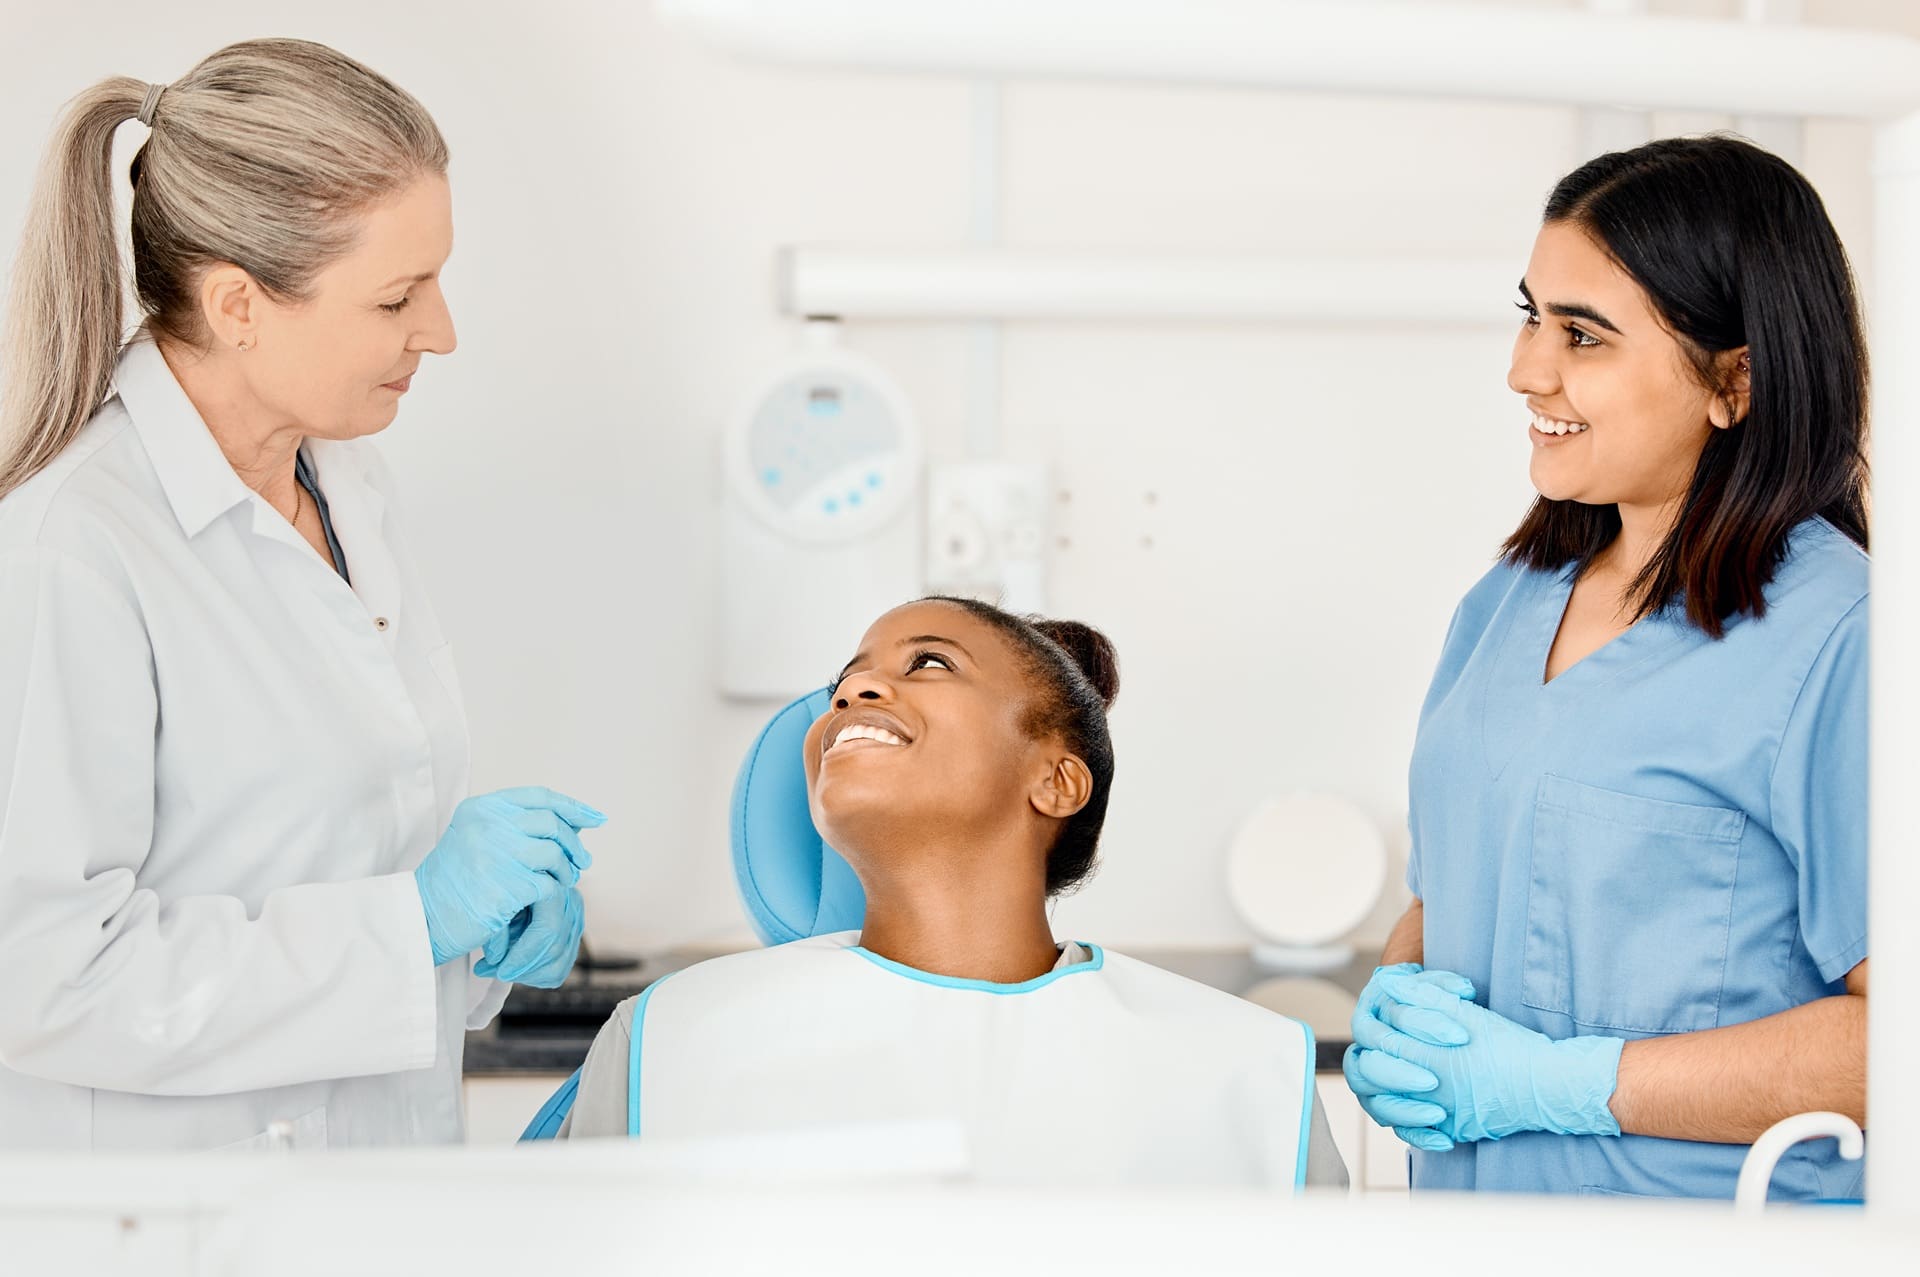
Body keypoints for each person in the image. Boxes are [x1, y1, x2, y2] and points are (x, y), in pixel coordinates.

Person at [0, 39, 603, 1151]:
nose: (442, 330)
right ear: (238, 304)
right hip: (168, 1214)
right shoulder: (71, 546)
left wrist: (471, 932)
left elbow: (331, 867)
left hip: (370, 1178)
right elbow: (43, 978)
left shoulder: (348, 487)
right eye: (396, 297)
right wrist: (411, 919)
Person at [1343, 136, 1869, 1201]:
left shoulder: (1846, 637)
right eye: (1532, 312)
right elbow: (1461, 890)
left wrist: (1568, 1082)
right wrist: (1402, 992)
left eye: (1582, 334)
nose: (1526, 368)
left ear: (1736, 380)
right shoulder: (1501, 608)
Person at [554, 597, 1346, 1189]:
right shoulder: (668, 1037)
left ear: (1057, 779)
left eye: (928, 663)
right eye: (846, 679)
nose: (853, 691)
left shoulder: (1248, 1070)